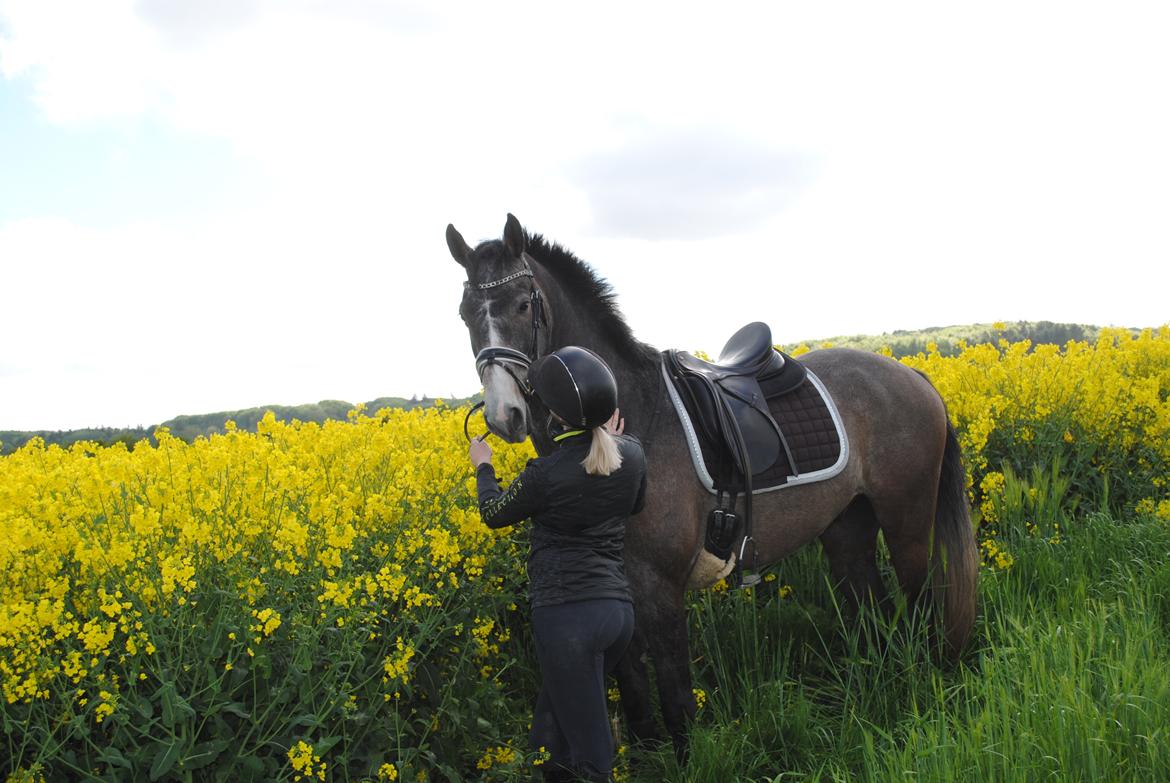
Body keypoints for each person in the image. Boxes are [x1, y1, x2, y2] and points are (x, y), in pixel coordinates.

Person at [469, 346, 647, 783]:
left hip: (567, 620)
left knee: (593, 755)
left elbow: (493, 514)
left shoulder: (544, 475)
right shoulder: (633, 454)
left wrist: (484, 468)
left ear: (555, 416)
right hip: (616, 614)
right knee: (553, 726)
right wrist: (615, 439)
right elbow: (635, 502)